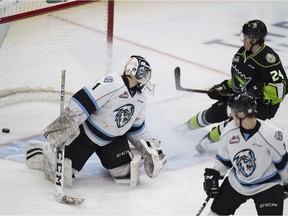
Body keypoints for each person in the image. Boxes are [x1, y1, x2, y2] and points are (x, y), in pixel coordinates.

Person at [26, 55, 167, 185]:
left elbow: (137, 129)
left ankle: (128, 154)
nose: (146, 77)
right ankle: (45, 149)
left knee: (123, 173)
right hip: (86, 136)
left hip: (113, 141)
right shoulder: (113, 83)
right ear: (133, 69)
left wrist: (149, 149)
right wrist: (63, 128)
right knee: (64, 172)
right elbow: (82, 101)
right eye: (144, 71)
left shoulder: (140, 99)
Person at [180, 19, 288, 153]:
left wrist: (257, 93)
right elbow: (239, 79)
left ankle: (209, 139)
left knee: (236, 116)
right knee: (214, 113)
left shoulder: (268, 59)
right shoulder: (241, 53)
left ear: (254, 39)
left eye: (245, 37)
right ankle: (184, 127)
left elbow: (281, 89)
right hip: (243, 96)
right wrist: (222, 87)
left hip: (263, 105)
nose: (243, 40)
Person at [202, 92, 288, 215]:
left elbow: (283, 164)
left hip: (268, 185)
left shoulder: (270, 134)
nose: (231, 114)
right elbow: (223, 160)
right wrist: (214, 176)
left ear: (241, 113)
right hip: (237, 183)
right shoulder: (229, 130)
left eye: (233, 111)